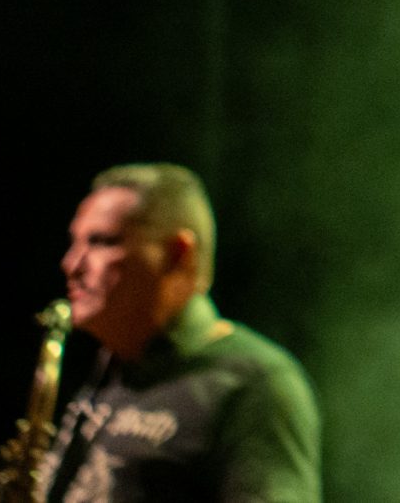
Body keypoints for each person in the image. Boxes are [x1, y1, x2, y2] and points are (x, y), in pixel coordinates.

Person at [34, 163, 320, 503]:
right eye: (76, 242)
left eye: (102, 242)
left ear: (177, 254)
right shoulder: (110, 372)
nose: (72, 264)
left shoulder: (254, 383)